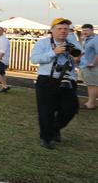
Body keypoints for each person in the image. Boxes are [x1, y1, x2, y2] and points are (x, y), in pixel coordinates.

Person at [30, 18, 81, 149]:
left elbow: (81, 60)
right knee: (46, 111)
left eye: (66, 29)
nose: (63, 31)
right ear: (52, 30)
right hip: (47, 79)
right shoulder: (42, 43)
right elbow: (35, 59)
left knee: (70, 108)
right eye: (59, 28)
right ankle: (46, 137)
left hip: (68, 79)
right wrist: (54, 52)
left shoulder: (73, 43)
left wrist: (77, 58)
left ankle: (54, 128)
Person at [79, 24, 98, 110]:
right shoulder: (86, 39)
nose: (84, 32)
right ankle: (91, 102)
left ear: (92, 30)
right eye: (83, 30)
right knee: (90, 84)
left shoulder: (95, 39)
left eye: (87, 30)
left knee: (92, 85)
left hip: (91, 67)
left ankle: (91, 104)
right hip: (85, 65)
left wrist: (93, 63)